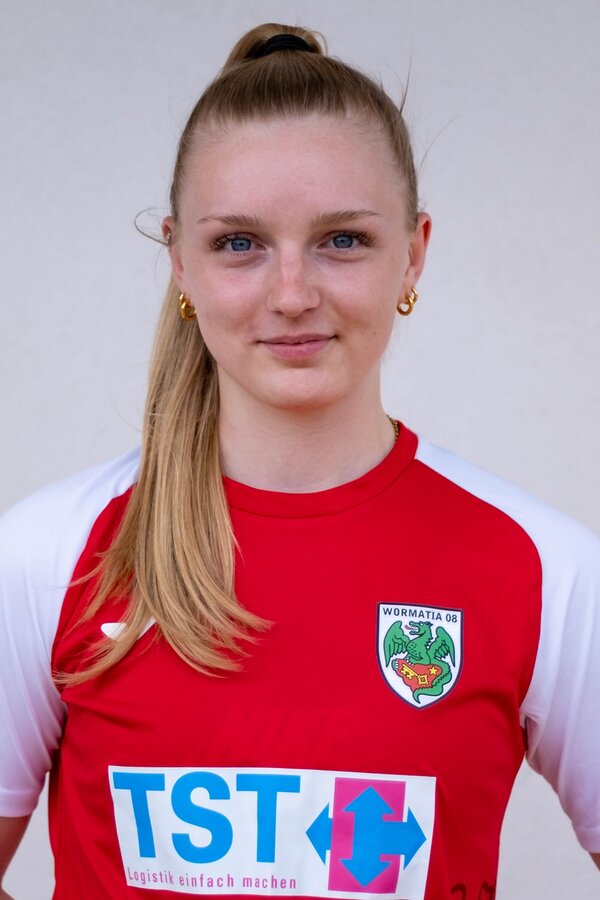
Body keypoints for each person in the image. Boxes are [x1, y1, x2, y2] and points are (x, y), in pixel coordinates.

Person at [0, 21, 599, 900]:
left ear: (413, 254)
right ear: (179, 262)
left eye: (342, 240)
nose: (291, 294)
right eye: (238, 243)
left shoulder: (546, 569)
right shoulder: (45, 556)